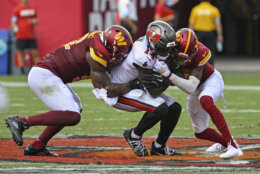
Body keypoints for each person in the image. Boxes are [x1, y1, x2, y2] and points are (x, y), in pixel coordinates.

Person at [5, 25, 143, 156]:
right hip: (45, 75)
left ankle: (37, 145)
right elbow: (104, 89)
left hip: (51, 74)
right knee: (72, 115)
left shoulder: (100, 40)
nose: (121, 58)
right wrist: (134, 84)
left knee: (75, 108)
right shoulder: (97, 52)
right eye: (120, 54)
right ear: (111, 48)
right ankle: (22, 121)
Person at [141, 28, 243, 159]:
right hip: (195, 89)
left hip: (209, 81)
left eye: (187, 57)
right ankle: (224, 142)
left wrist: (168, 74)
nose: (182, 61)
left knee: (205, 100)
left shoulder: (201, 52)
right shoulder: (167, 50)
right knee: (200, 132)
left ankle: (233, 147)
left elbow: (191, 86)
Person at [93, 21, 182, 157]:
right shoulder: (142, 56)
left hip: (136, 85)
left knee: (174, 108)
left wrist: (167, 79)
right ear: (153, 42)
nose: (166, 52)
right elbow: (153, 89)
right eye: (163, 48)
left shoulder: (148, 44)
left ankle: (159, 147)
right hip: (119, 91)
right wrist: (170, 80)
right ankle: (133, 135)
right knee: (161, 109)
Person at [188, 0, 223, 66]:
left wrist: (190, 36)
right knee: (211, 52)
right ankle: (210, 68)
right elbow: (218, 24)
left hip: (199, 34)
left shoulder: (195, 9)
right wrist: (220, 35)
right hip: (210, 34)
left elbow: (191, 24)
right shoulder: (214, 10)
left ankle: (198, 67)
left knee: (198, 51)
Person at [11, 0, 40, 74]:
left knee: (35, 53)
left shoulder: (32, 8)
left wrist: (35, 21)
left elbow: (36, 19)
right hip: (20, 35)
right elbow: (13, 21)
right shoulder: (17, 9)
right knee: (20, 53)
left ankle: (38, 70)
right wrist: (15, 28)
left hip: (31, 35)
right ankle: (22, 71)